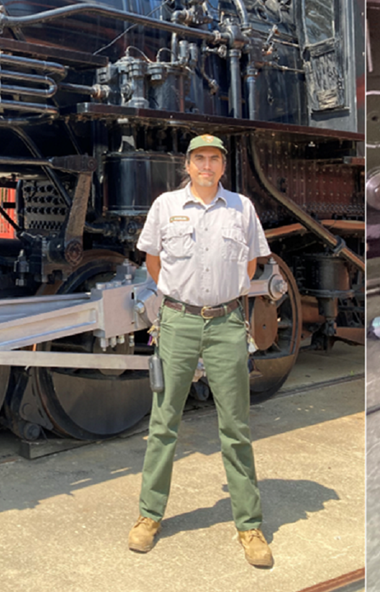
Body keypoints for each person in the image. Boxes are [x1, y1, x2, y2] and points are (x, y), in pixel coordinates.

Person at [128, 133, 274, 568]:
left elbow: (250, 265)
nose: (207, 166)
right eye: (199, 159)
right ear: (187, 166)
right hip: (178, 321)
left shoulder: (242, 208)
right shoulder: (165, 206)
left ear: (223, 166)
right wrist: (178, 296)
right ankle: (149, 516)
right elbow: (153, 262)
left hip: (227, 322)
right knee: (163, 423)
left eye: (214, 159)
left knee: (236, 426)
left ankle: (249, 525)